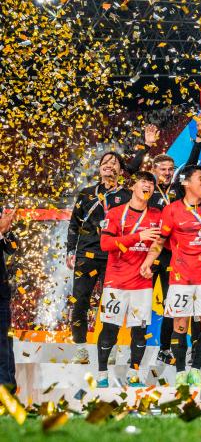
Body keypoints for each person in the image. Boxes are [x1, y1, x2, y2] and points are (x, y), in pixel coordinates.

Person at [142, 165, 201, 386]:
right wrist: (148, 262)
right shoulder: (172, 210)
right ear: (186, 182)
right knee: (180, 324)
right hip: (181, 278)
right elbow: (160, 241)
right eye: (200, 178)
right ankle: (180, 372)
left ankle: (195, 370)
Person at [96, 171, 162, 387]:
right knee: (110, 330)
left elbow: (159, 244)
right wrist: (138, 237)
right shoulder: (115, 214)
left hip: (142, 283)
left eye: (151, 184)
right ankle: (102, 374)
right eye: (143, 182)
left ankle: (135, 374)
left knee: (139, 332)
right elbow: (106, 245)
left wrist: (150, 261)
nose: (148, 186)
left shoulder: (157, 215)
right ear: (133, 186)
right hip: (116, 282)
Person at [66, 151, 131, 363]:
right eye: (105, 162)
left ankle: (108, 348)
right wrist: (70, 251)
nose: (109, 165)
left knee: (111, 305)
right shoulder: (86, 194)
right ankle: (80, 347)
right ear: (99, 168)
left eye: (114, 163)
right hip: (86, 255)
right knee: (80, 302)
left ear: (121, 171)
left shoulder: (128, 196)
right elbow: (74, 225)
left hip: (114, 256)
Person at [0, 207, 17, 392]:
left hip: (1, 292)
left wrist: (7, 230)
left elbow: (12, 249)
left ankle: (7, 391)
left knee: (4, 342)